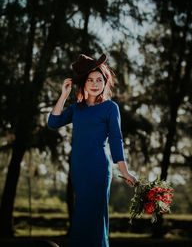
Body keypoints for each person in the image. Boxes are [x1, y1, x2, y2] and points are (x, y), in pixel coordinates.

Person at [48, 53, 137, 247]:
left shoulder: (110, 108)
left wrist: (124, 171)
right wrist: (64, 94)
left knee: (96, 217)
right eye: (90, 80)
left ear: (105, 82)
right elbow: (53, 122)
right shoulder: (76, 108)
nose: (95, 84)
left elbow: (116, 139)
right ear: (84, 83)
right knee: (81, 215)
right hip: (79, 169)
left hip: (98, 169)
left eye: (99, 79)